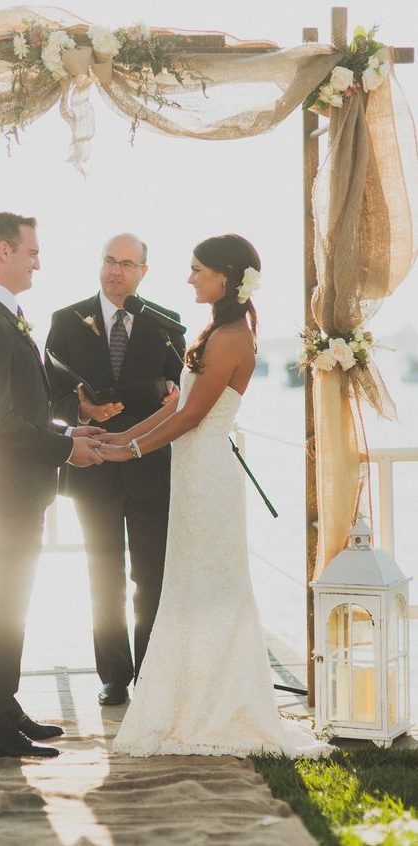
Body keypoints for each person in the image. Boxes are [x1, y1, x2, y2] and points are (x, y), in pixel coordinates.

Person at [99, 234, 331, 758]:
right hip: (193, 471)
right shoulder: (215, 329)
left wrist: (130, 452)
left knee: (209, 586)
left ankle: (216, 701)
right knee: (185, 584)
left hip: (208, 479)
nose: (189, 278)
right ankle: (189, 695)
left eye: (196, 269)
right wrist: (116, 439)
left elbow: (192, 417)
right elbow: (178, 402)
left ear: (224, 277)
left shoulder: (231, 337)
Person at [0, 212, 104, 758]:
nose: (39, 261)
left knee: (10, 603)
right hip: (5, 492)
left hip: (20, 488)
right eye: (32, 251)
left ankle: (3, 705)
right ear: (3, 252)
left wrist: (68, 428)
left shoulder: (4, 316)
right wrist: (67, 449)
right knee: (1, 604)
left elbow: (25, 408)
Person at [44, 233, 185, 707]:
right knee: (101, 575)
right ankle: (113, 675)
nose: (115, 270)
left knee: (152, 575)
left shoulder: (166, 323)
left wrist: (170, 388)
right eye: (109, 260)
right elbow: (49, 395)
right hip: (93, 466)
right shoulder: (65, 320)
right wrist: (82, 412)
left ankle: (152, 668)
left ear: (144, 271)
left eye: (127, 263)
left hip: (150, 468)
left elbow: (183, 391)